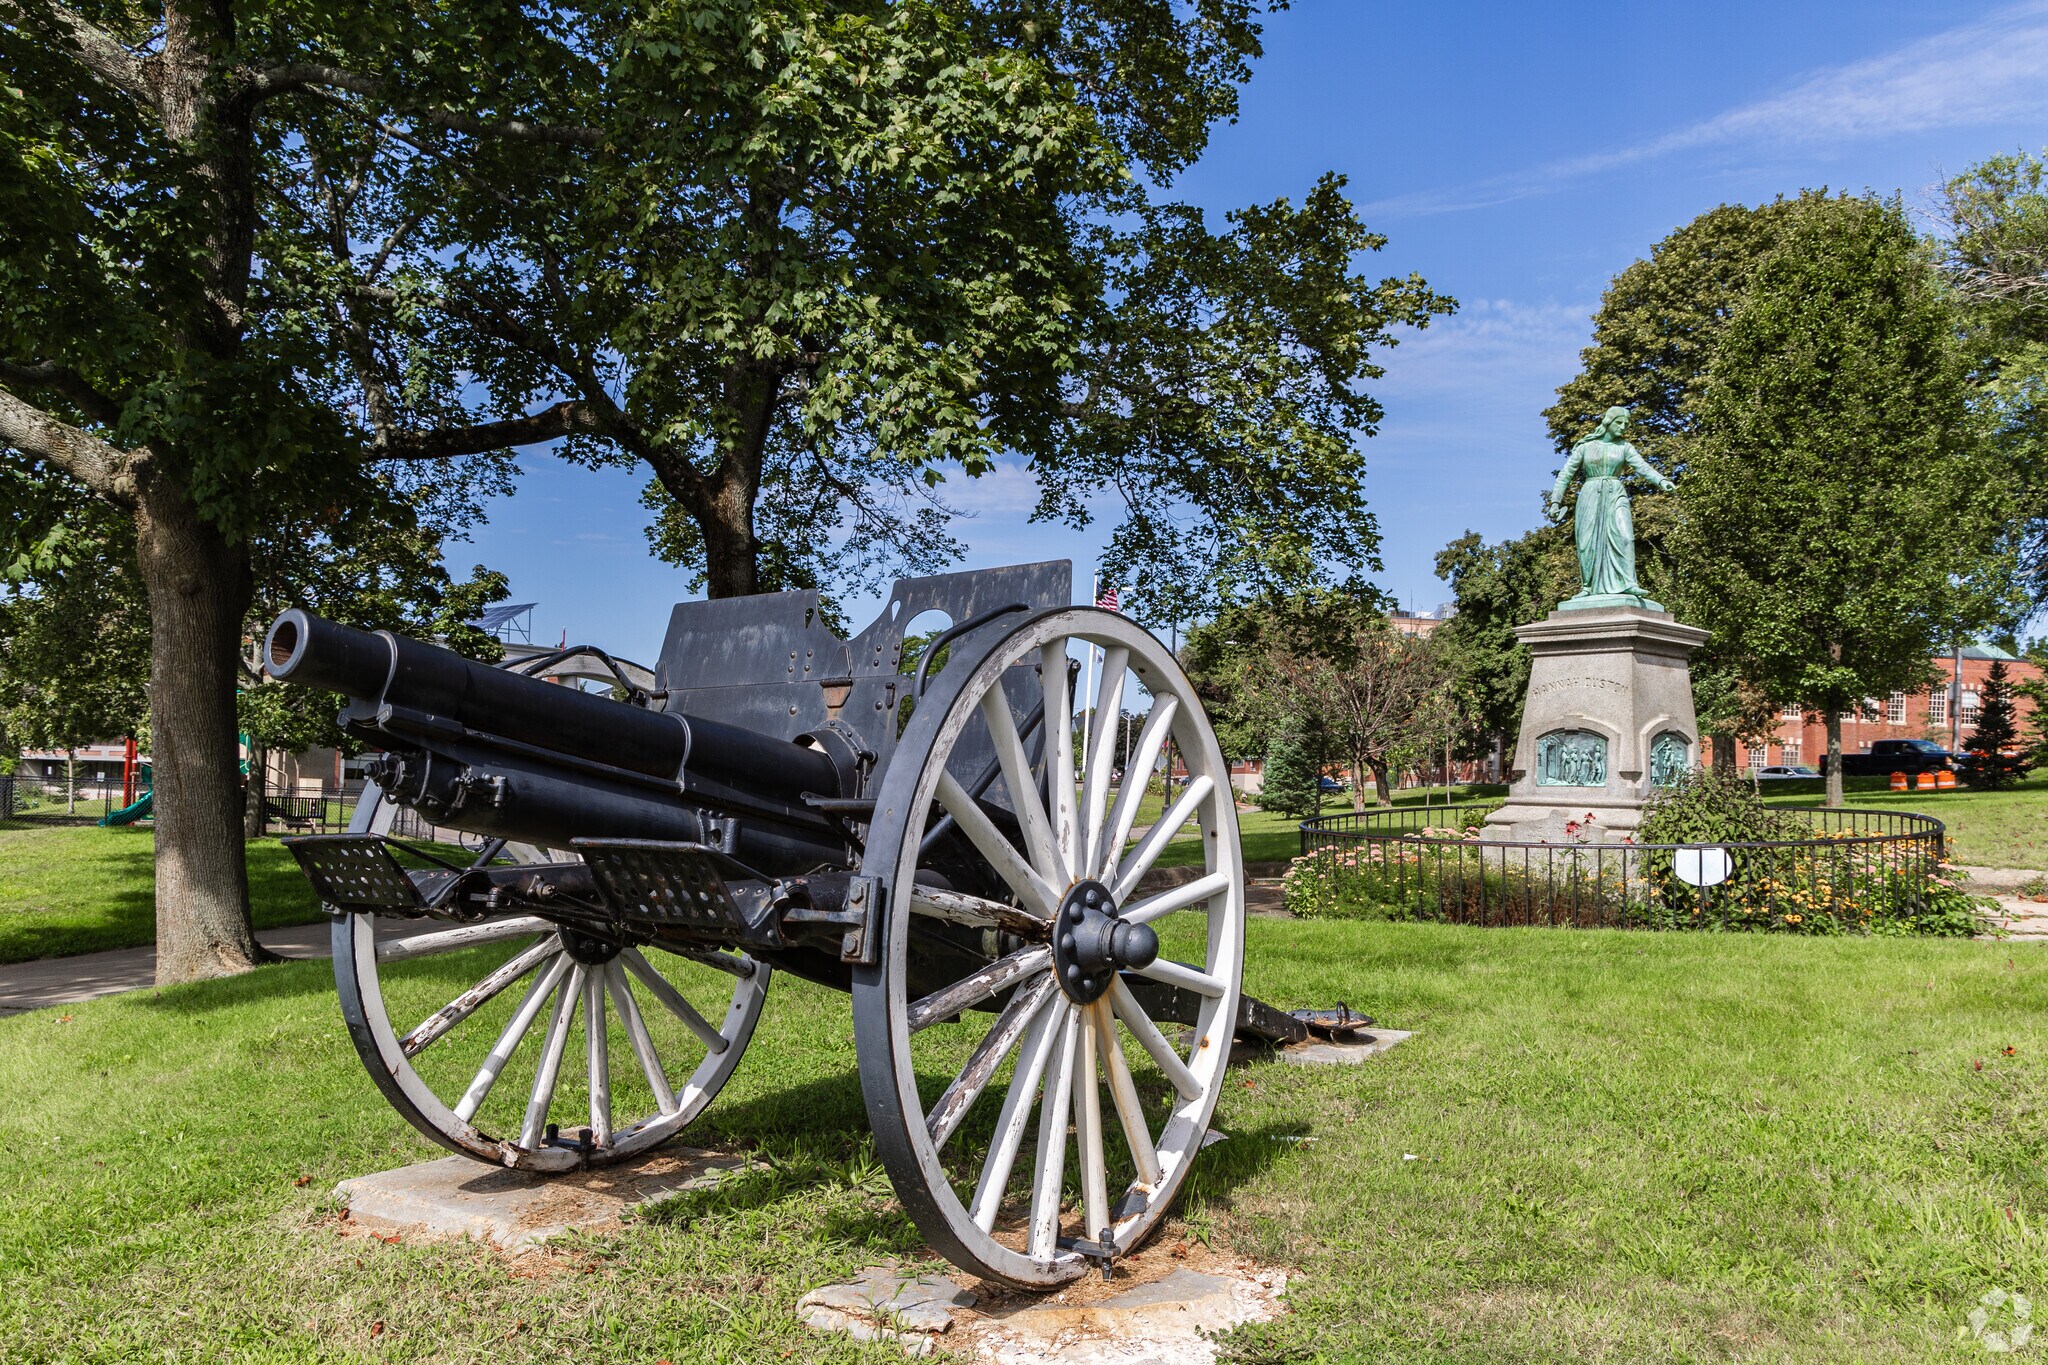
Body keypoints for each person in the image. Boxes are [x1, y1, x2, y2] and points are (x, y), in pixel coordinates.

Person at [1547, 406, 1674, 606]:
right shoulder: (1586, 447)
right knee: (1587, 543)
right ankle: (1587, 587)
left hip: (1615, 493)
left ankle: (1629, 583)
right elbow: (1566, 474)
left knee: (1625, 536)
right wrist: (1556, 501)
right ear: (1608, 422)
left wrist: (1661, 480)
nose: (1623, 427)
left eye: (1626, 424)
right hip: (1590, 495)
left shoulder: (1625, 447)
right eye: (1619, 423)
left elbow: (1642, 467)